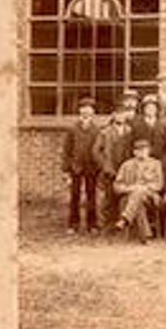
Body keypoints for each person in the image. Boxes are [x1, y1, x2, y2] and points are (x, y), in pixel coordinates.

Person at [62, 96, 101, 234]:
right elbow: (66, 150)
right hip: (76, 167)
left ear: (93, 112)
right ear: (79, 111)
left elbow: (99, 149)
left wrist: (99, 166)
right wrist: (66, 170)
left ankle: (92, 224)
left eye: (89, 109)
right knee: (75, 196)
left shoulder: (96, 130)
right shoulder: (72, 129)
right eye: (83, 109)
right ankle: (73, 224)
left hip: (91, 167)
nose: (86, 112)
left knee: (91, 196)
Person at [113, 138, 163, 244]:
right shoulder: (126, 165)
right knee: (138, 201)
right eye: (139, 150)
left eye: (145, 150)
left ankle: (125, 218)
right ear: (134, 152)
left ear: (149, 151)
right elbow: (117, 186)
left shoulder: (156, 164)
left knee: (138, 192)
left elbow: (159, 185)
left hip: (150, 197)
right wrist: (131, 188)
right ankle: (145, 236)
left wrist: (145, 188)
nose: (142, 152)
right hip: (131, 197)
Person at [92, 101, 133, 231]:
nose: (120, 116)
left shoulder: (129, 131)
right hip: (110, 169)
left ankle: (120, 224)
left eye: (123, 114)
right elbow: (96, 151)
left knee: (123, 196)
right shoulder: (105, 132)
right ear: (113, 115)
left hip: (125, 168)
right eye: (118, 114)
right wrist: (105, 165)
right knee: (108, 197)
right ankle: (105, 225)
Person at [131, 93, 166, 161]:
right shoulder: (136, 126)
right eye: (147, 107)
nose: (150, 110)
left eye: (153, 107)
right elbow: (131, 145)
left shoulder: (162, 126)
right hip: (141, 160)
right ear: (143, 109)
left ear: (157, 109)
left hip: (159, 160)